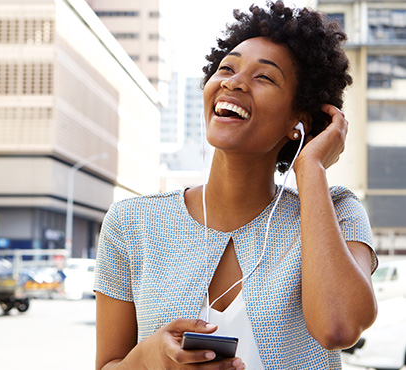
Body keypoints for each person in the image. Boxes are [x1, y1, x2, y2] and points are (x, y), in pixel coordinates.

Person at [94, 1, 378, 369]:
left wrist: (309, 167)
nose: (233, 81)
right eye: (226, 68)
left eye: (264, 77)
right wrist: (147, 359)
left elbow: (338, 328)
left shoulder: (336, 212)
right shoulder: (131, 223)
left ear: (298, 120)